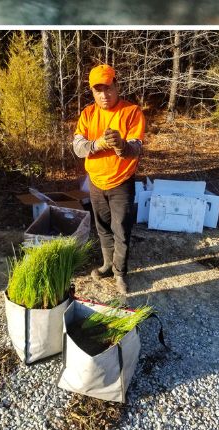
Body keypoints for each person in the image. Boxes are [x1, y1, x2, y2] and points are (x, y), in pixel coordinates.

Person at [71, 64, 145, 295]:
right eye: (98, 90)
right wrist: (98, 144)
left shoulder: (132, 112)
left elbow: (137, 147)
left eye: (108, 88)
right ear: (92, 92)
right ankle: (107, 265)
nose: (104, 95)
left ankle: (120, 273)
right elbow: (78, 147)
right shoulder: (88, 114)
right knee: (102, 227)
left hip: (121, 182)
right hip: (96, 182)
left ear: (117, 85)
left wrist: (121, 145)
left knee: (121, 230)